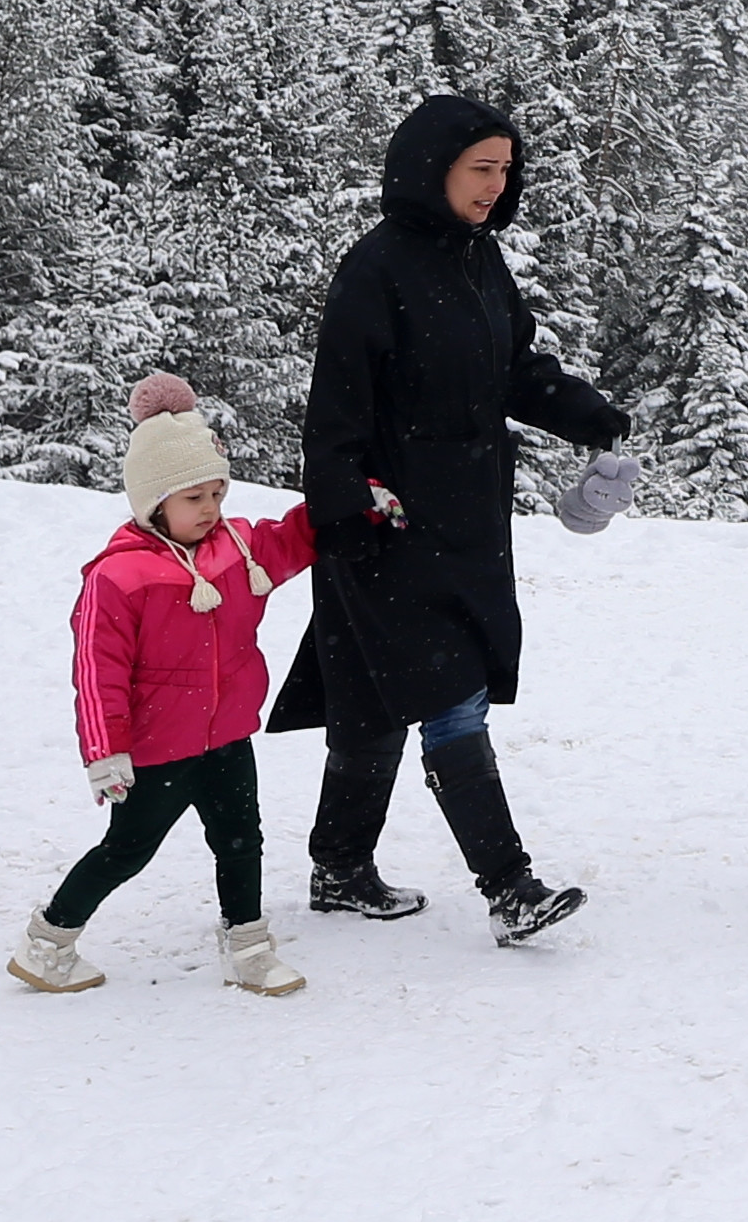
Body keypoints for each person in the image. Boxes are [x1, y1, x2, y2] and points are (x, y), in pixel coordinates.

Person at [275, 93, 641, 946]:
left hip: (470, 520)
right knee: (452, 697)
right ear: (432, 168)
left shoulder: (483, 264)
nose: (496, 186)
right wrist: (348, 516)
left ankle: (339, 868)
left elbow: (514, 369)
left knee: (371, 702)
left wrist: (590, 415)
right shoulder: (373, 270)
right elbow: (333, 419)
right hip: (389, 524)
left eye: (506, 171)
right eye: (483, 168)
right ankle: (510, 886)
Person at [14, 375, 317, 998]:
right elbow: (96, 675)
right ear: (154, 503)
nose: (210, 508)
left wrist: (351, 497)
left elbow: (297, 537)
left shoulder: (238, 550)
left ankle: (249, 946)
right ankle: (48, 942)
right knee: (127, 851)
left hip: (228, 736)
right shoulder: (119, 577)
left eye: (216, 492)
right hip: (156, 751)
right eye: (192, 497)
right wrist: (105, 753)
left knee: (241, 841)